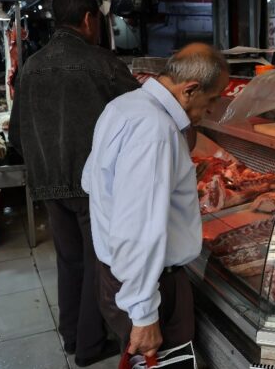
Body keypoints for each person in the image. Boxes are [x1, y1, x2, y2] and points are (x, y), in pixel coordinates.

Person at [8, 0, 139, 367]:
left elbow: (17, 134)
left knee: (69, 261)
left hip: (48, 182)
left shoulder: (31, 67)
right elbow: (141, 120)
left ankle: (71, 336)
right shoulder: (104, 64)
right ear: (87, 19)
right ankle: (89, 346)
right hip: (93, 185)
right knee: (98, 263)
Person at [82, 43, 229, 367]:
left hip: (117, 273)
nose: (213, 109)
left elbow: (90, 180)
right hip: (149, 284)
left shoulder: (124, 106)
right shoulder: (155, 130)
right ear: (190, 89)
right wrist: (144, 313)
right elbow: (137, 229)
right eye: (214, 98)